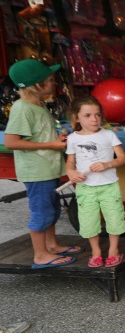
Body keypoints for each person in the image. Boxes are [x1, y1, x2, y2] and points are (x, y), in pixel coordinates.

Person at [4, 59, 81, 268]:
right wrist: (51, 144)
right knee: (42, 212)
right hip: (37, 172)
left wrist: (58, 139)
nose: (54, 83)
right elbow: (11, 142)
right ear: (37, 85)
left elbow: (38, 134)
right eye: (49, 80)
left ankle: (52, 246)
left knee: (53, 209)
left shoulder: (38, 105)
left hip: (47, 169)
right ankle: (40, 255)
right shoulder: (22, 108)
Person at [65, 97, 125, 268]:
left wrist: (108, 164)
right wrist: (71, 172)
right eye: (87, 115)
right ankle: (96, 252)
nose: (94, 119)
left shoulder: (108, 135)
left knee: (114, 219)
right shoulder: (72, 138)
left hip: (109, 186)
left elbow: (122, 158)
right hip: (85, 188)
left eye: (97, 115)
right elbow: (70, 162)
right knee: (88, 221)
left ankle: (113, 250)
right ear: (76, 118)